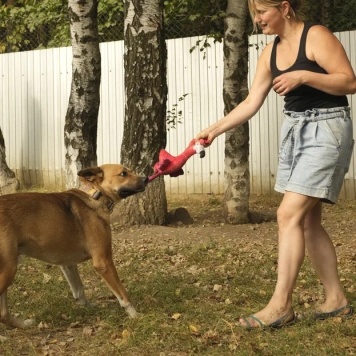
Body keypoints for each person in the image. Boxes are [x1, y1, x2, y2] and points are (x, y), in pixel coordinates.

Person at [195, 0, 356, 329]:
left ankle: (280, 305)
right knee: (307, 221)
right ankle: (336, 300)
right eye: (254, 13)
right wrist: (214, 129)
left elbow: (349, 82)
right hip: (295, 131)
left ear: (284, 8)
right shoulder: (270, 54)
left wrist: (304, 76)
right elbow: (251, 102)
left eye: (262, 12)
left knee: (287, 213)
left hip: (327, 128)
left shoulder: (316, 36)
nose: (257, 20)